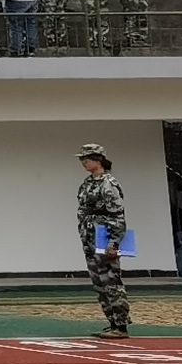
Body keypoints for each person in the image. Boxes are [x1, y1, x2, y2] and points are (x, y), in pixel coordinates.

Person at [73, 142, 133, 339]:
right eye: (82, 159)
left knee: (111, 281)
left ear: (98, 160)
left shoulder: (109, 184)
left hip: (105, 237)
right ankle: (112, 321)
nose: (84, 162)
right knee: (99, 282)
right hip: (90, 237)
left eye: (87, 159)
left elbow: (117, 216)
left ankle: (121, 325)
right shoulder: (87, 183)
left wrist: (114, 242)